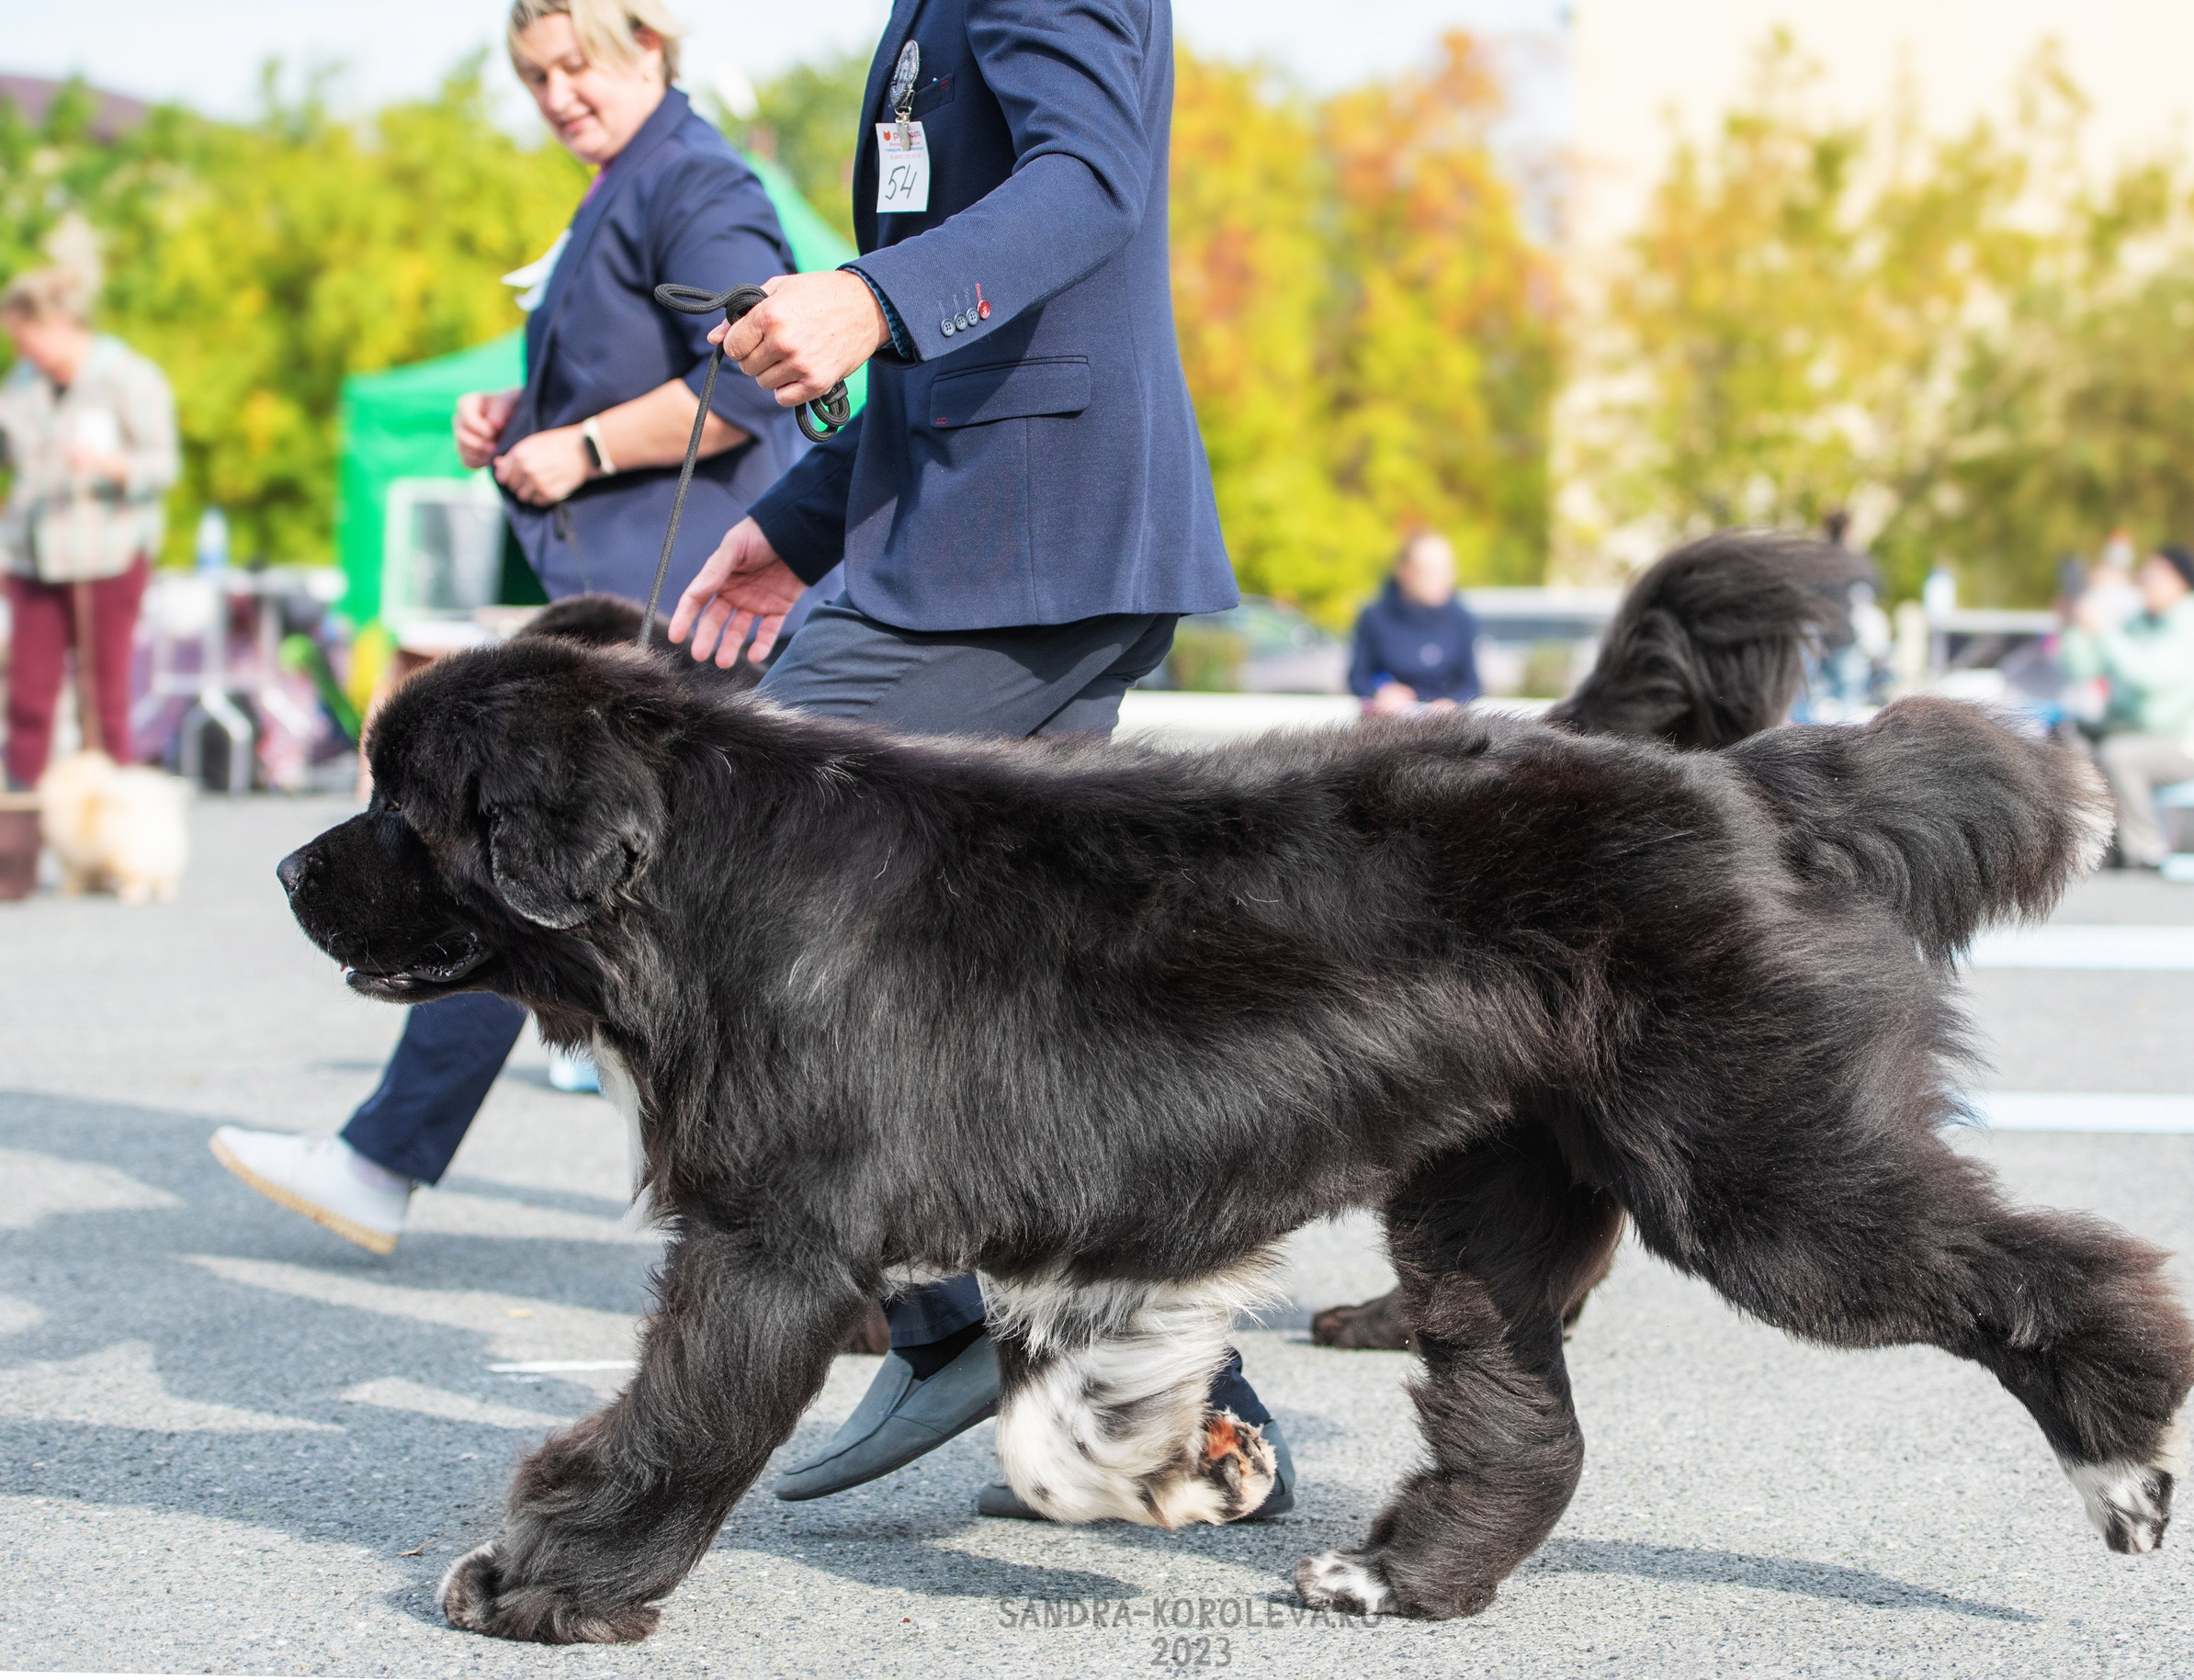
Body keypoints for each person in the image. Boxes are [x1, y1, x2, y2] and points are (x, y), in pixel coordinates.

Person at [662, 0, 1288, 1519]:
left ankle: (945, 1318)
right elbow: (970, 323)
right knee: (1023, 1002)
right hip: (995, 530)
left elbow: (1089, 183)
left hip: (1028, 544)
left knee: (721, 887)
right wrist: (797, 523)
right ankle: (1188, 1415)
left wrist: (867, 298)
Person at [208, 0, 805, 1248]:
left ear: (651, 43)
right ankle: (391, 1155)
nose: (559, 95)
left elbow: (750, 381)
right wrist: (516, 416)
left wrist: (580, 442)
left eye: (578, 64)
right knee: (536, 893)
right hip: (631, 609)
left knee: (507, 879)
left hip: (674, 614)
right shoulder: (624, 186)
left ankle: (388, 1156)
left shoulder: (691, 182)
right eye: (536, 77)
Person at [0, 265, 178, 790]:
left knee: (103, 707)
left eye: (27, 338)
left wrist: (110, 464)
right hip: (35, 556)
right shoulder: (22, 382)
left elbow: (162, 465)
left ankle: (108, 843)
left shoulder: (129, 377)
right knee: (27, 702)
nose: (24, 350)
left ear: (59, 325)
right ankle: (14, 854)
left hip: (107, 555)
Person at [2062, 542, 2194, 867]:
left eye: (2155, 576)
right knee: (2066, 737)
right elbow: (2080, 668)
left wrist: (2103, 629)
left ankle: (2145, 848)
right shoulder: (2138, 623)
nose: (2145, 582)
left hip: (2186, 746)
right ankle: (2090, 843)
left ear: (2182, 582)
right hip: (2132, 732)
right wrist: (2076, 624)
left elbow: (2147, 677)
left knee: (2120, 755)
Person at [1348, 530, 1481, 716]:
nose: (1442, 579)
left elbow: (1471, 684)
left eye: (1447, 569)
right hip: (1389, 726)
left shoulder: (1461, 619)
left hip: (1445, 728)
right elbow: (1358, 678)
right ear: (1403, 570)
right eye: (1429, 571)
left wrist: (1452, 703)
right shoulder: (1375, 617)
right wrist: (1382, 692)